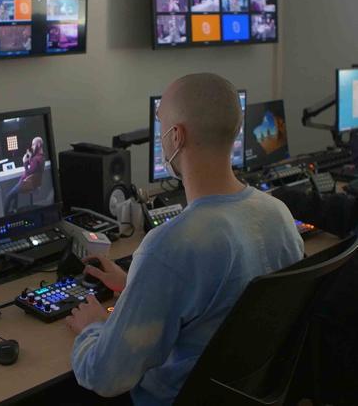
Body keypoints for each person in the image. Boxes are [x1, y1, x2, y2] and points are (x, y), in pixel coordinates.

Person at [66, 73, 304, 405]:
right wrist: (136, 283)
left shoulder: (170, 246)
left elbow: (104, 376)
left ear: (176, 136)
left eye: (161, 122)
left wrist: (93, 327)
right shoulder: (278, 214)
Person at [4, 137, 45, 214]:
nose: (32, 147)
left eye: (33, 144)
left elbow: (28, 172)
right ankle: (14, 210)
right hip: (32, 182)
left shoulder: (36, 159)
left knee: (8, 196)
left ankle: (5, 216)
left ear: (39, 144)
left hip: (25, 183)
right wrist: (30, 158)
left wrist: (24, 162)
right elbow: (34, 168)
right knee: (15, 194)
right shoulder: (41, 157)